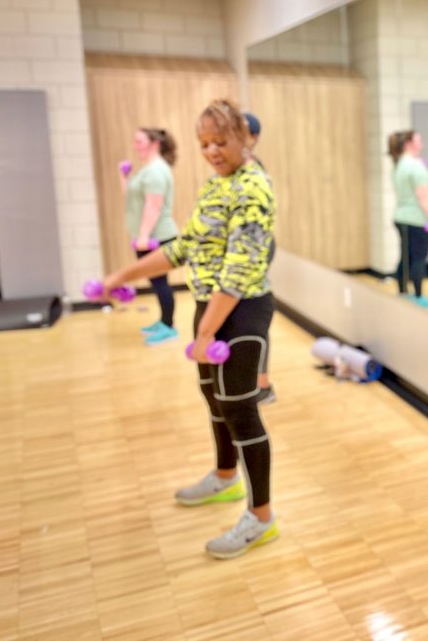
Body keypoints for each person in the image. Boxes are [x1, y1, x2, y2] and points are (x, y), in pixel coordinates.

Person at [102, 98, 279, 559]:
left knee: (241, 409)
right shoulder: (216, 184)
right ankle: (225, 478)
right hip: (210, 306)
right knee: (214, 399)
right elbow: (182, 247)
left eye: (221, 141)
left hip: (241, 310)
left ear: (245, 137)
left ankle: (261, 518)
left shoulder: (253, 188)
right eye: (204, 143)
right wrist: (123, 275)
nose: (212, 151)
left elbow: (239, 273)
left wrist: (205, 335)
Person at [122, 128, 178, 344]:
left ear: (154, 144)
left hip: (158, 237)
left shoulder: (155, 170)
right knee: (157, 282)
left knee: (160, 283)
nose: (135, 146)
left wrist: (144, 236)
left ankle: (169, 327)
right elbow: (131, 199)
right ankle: (164, 321)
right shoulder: (148, 169)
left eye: (139, 142)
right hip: (147, 236)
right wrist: (124, 177)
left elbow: (153, 206)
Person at [388, 130, 428, 308]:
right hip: (417, 220)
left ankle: (404, 292)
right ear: (409, 144)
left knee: (406, 256)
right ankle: (419, 296)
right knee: (419, 258)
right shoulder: (415, 166)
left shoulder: (399, 164)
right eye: (419, 140)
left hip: (401, 217)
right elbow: (423, 196)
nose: (422, 144)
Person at [244, 112, 276, 404]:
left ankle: (263, 384)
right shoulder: (232, 172)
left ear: (252, 138)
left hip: (259, 250)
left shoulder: (255, 173)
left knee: (254, 318)